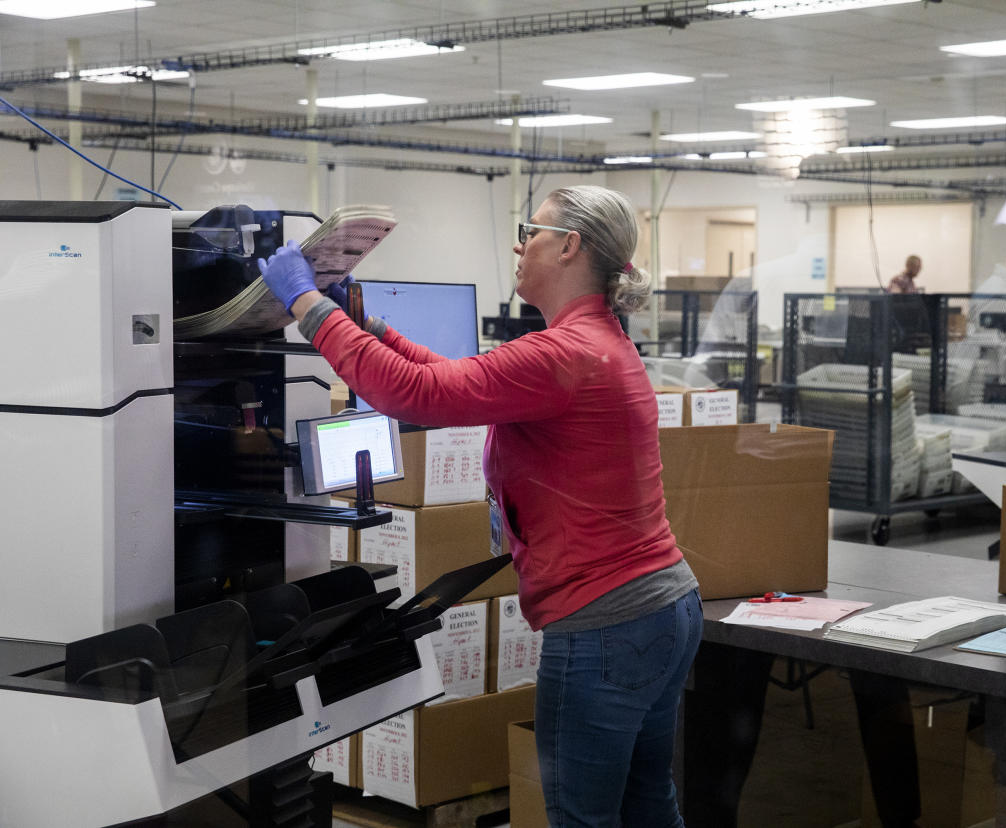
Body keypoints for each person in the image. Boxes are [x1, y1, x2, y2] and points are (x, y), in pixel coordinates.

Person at [259, 185, 702, 828]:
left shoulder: (565, 353)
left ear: (570, 246)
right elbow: (454, 382)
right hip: (660, 608)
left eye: (531, 231)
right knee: (645, 803)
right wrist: (368, 328)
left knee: (584, 818)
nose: (520, 245)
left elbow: (416, 395)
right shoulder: (592, 343)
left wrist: (305, 302)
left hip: (606, 621)